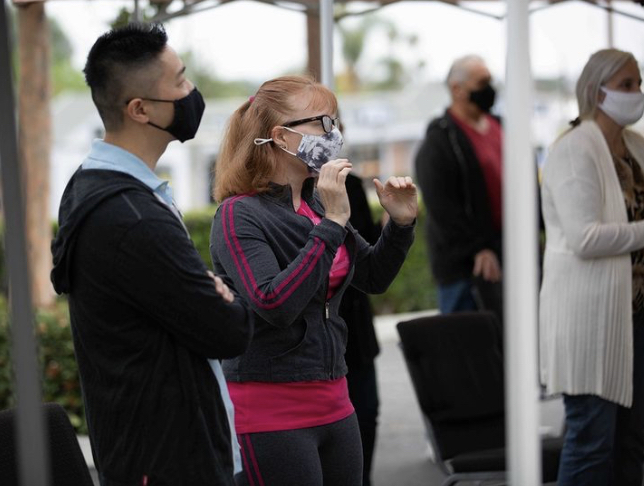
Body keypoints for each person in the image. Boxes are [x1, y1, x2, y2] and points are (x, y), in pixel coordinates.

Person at [50, 24, 253, 486]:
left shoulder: (98, 186)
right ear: (140, 109)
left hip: (156, 450)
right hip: (171, 462)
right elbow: (228, 329)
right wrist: (219, 294)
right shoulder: (131, 216)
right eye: (179, 81)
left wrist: (207, 289)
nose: (191, 92)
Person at [209, 75, 418, 486]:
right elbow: (274, 303)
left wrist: (400, 224)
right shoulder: (238, 215)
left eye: (334, 122)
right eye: (321, 124)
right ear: (280, 137)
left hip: (335, 399)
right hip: (271, 409)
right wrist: (334, 224)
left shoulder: (317, 203)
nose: (333, 134)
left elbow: (372, 276)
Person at [539, 48, 644, 486]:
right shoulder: (573, 149)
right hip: (590, 318)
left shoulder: (636, 144)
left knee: (633, 441)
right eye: (627, 85)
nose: (637, 93)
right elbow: (585, 238)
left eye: (639, 84)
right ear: (597, 90)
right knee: (592, 443)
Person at [414, 54, 503, 324]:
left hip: (505, 257)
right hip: (466, 271)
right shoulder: (440, 140)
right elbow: (442, 207)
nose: (489, 89)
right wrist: (478, 249)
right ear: (457, 89)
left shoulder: (500, 125)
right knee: (468, 353)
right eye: (482, 82)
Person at [341, 173, 383, 486]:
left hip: (355, 329)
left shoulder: (350, 184)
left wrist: (395, 230)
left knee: (366, 413)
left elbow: (369, 265)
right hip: (315, 337)